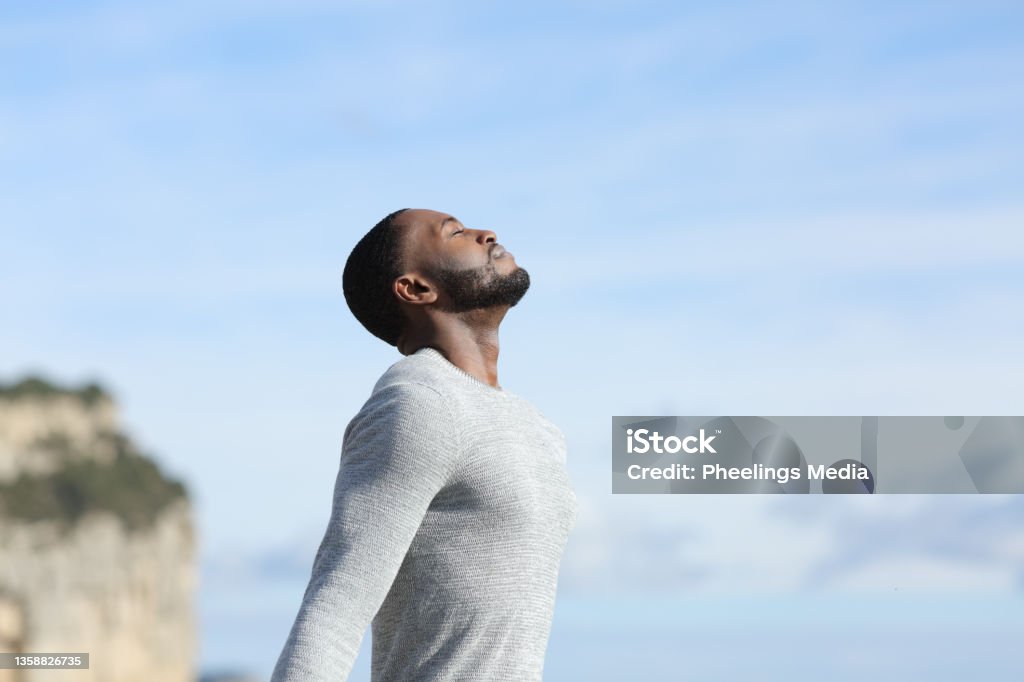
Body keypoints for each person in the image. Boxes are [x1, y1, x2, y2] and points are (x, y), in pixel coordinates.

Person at [270, 208, 579, 681]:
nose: (486, 232)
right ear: (416, 289)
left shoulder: (539, 428)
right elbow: (334, 609)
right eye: (455, 232)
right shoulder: (417, 403)